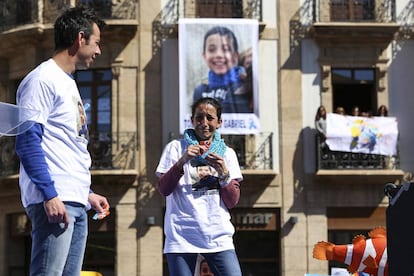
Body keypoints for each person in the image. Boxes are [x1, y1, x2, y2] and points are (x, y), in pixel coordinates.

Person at [15, 6, 110, 275]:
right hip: (56, 200)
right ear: (80, 39)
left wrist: (86, 194)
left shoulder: (67, 83)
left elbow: (67, 143)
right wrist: (50, 194)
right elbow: (27, 142)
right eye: (96, 42)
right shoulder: (42, 80)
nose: (99, 51)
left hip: (74, 199)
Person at [156, 97, 243, 276]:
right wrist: (182, 161)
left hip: (218, 235)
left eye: (210, 118)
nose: (204, 123)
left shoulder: (227, 154)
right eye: (199, 117)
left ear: (219, 122)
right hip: (181, 236)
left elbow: (232, 201)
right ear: (192, 120)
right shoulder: (175, 148)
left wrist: (224, 173)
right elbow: (164, 189)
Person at [193, 26, 252, 113]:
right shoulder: (200, 90)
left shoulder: (245, 87)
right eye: (212, 50)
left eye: (226, 49)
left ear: (235, 56)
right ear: (204, 56)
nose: (219, 55)